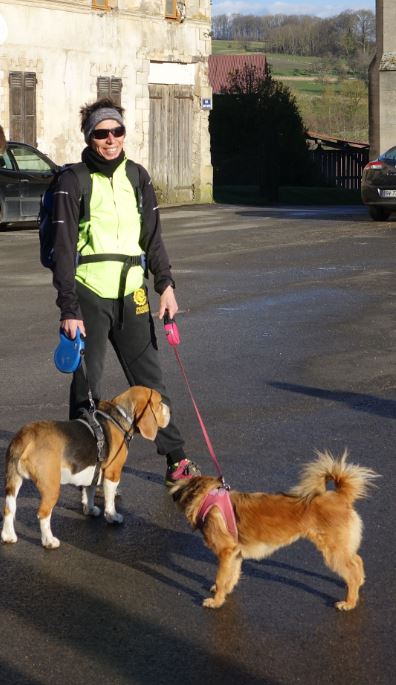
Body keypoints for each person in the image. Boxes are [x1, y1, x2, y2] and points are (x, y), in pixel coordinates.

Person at [51, 97, 200, 485]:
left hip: (133, 294)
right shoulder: (73, 181)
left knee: (152, 384)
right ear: (89, 137)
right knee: (88, 385)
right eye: (102, 133)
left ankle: (176, 460)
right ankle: (81, 462)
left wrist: (165, 286)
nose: (111, 139)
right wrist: (68, 308)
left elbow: (153, 239)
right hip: (89, 295)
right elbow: (64, 250)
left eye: (117, 131)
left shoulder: (138, 177)